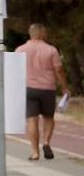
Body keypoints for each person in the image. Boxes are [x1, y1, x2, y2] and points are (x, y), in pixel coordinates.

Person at [16, 23, 70, 160]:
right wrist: (64, 87)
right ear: (40, 33)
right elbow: (58, 70)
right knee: (48, 117)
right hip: (47, 88)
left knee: (32, 120)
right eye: (45, 32)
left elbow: (14, 70)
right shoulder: (51, 50)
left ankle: (34, 152)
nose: (46, 34)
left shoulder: (20, 50)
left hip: (28, 89)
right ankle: (46, 142)